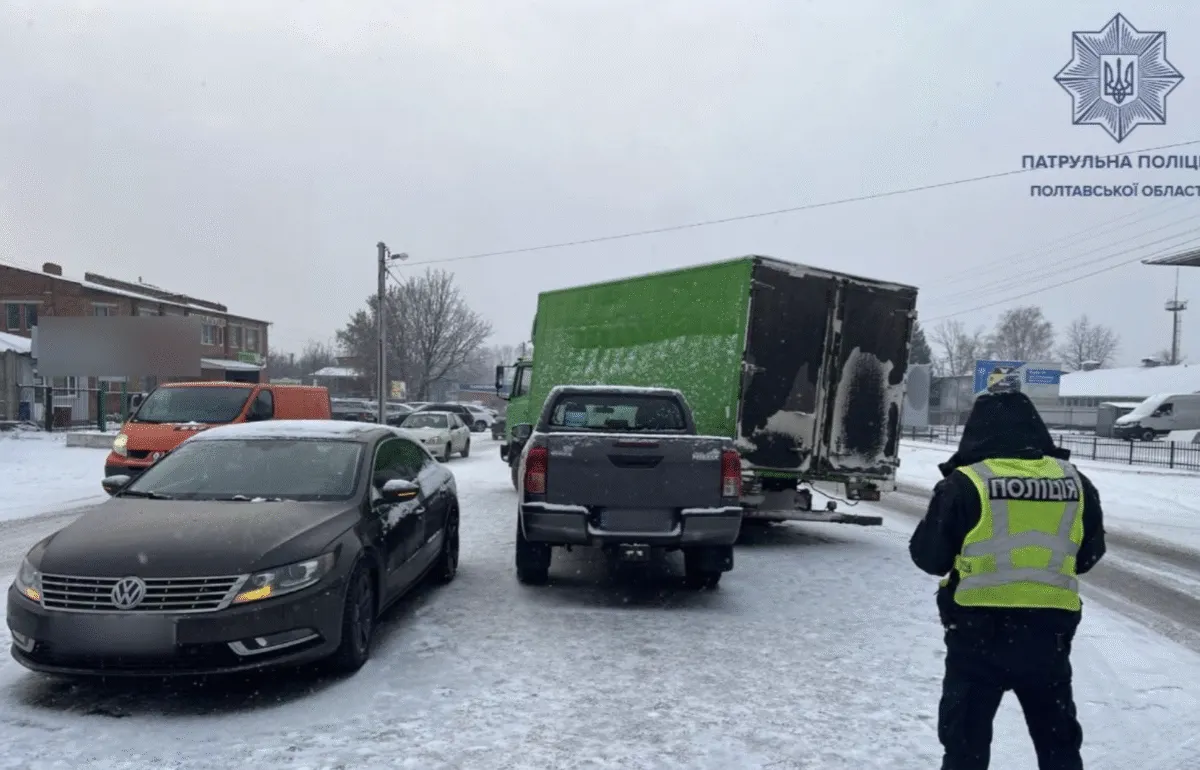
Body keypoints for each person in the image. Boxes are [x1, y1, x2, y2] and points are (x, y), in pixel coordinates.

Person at [909, 392, 1106, 770]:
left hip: (976, 634)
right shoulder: (1075, 481)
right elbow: (1088, 556)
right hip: (1048, 636)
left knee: (965, 743)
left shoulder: (967, 483)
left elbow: (930, 558)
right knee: (1058, 742)